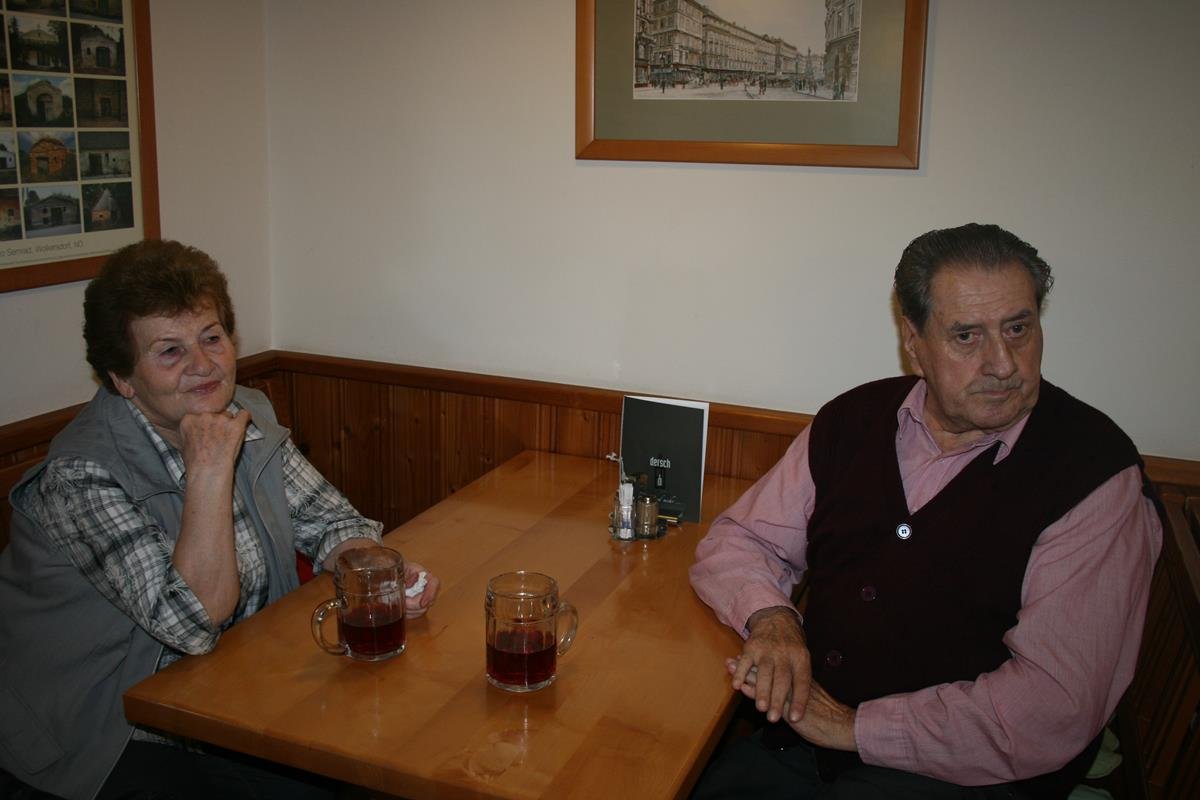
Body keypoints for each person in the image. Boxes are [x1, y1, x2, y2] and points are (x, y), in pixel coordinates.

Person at [689, 223, 1162, 799]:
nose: (1003, 363)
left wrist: (853, 728)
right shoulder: (851, 421)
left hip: (973, 776)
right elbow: (738, 541)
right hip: (803, 741)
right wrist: (773, 621)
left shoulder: (1093, 474)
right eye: (967, 336)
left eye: (1018, 328)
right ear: (913, 343)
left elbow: (1050, 707)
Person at [0, 240, 441, 800]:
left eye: (212, 337)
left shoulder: (244, 411)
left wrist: (375, 570)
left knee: (396, 742)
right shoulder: (79, 477)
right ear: (123, 379)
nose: (203, 365)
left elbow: (328, 518)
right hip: (104, 730)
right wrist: (208, 468)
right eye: (170, 351)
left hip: (231, 686)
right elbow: (192, 620)